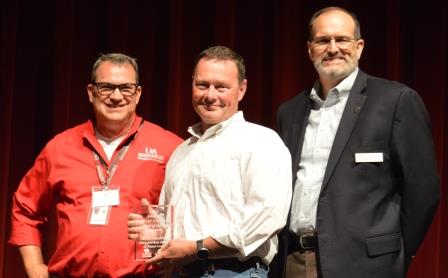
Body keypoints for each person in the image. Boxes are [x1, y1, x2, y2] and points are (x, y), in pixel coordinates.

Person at [273, 6, 440, 278]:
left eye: (342, 39)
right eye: (323, 40)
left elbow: (423, 191)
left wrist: (397, 256)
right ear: (309, 49)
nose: (333, 48)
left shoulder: (395, 101)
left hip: (367, 266)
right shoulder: (290, 112)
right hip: (294, 262)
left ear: (359, 47)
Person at [9, 53, 183, 277]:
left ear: (138, 94)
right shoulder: (60, 147)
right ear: (91, 93)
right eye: (106, 87)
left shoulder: (170, 147)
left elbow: (193, 212)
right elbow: (25, 210)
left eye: (126, 88)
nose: (116, 96)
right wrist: (34, 267)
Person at [128, 46, 292, 277]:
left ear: (242, 90)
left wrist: (196, 249)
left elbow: (266, 219)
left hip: (233, 272)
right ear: (192, 85)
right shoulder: (182, 152)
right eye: (202, 85)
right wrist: (158, 237)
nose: (210, 95)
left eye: (221, 86)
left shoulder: (261, 142)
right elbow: (178, 234)